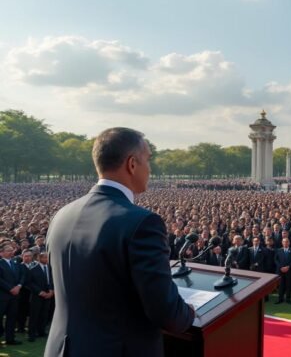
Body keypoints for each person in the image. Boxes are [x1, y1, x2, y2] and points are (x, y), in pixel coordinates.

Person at [45, 127, 194, 356]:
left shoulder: (62, 215)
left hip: (64, 348)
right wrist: (189, 312)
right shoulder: (142, 222)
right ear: (132, 164)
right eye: (148, 160)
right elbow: (165, 312)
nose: (150, 169)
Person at [0, 243, 25, 346]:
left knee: (12, 318)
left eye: (12, 250)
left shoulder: (16, 262)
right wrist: (10, 288)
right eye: (8, 250)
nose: (11, 252)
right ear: (1, 253)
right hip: (2, 296)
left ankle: (10, 339)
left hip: (14, 296)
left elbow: (22, 275)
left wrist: (19, 286)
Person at [27, 252, 54, 342]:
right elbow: (29, 283)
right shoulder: (33, 269)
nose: (47, 259)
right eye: (45, 257)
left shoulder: (51, 269)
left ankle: (41, 332)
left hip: (48, 295)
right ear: (39, 258)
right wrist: (40, 292)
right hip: (37, 296)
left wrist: (51, 290)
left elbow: (52, 280)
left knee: (44, 315)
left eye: (47, 258)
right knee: (35, 315)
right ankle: (32, 334)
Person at [275, 237, 291, 304]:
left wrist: (288, 267)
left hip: (289, 270)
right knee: (281, 285)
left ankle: (288, 299)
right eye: (284, 242)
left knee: (288, 285)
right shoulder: (278, 250)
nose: (285, 243)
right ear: (282, 243)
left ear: (289, 243)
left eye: (287, 242)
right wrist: (281, 267)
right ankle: (280, 299)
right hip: (280, 270)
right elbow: (276, 260)